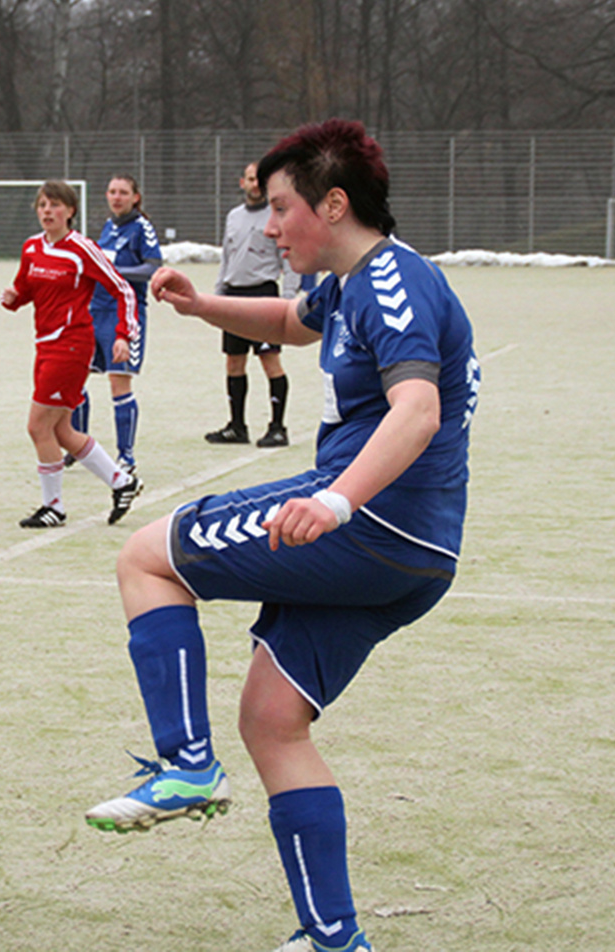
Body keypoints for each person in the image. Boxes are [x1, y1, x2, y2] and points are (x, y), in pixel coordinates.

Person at [82, 120, 480, 952]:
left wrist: (336, 503)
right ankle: (333, 936)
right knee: (271, 719)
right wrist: (200, 307)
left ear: (333, 205)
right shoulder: (353, 280)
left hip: (369, 524)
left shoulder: (395, 285)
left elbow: (418, 409)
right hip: (415, 555)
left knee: (145, 559)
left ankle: (187, 766)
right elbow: (297, 322)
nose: (269, 227)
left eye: (282, 209)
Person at [0, 179, 146, 528]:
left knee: (38, 427)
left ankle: (54, 507)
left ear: (70, 211)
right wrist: (13, 299)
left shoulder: (82, 249)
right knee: (62, 430)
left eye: (55, 205)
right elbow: (25, 288)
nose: (47, 211)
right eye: (42, 205)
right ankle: (123, 482)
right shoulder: (32, 247)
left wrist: (124, 334)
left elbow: (122, 289)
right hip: (45, 345)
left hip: (72, 346)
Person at [70, 174, 162, 473]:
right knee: (76, 378)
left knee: (118, 381)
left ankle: (127, 457)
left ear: (136, 197)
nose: (116, 197)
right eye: (112, 192)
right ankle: (77, 446)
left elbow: (152, 267)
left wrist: (112, 270)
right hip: (95, 312)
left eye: (123, 192)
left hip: (124, 315)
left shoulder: (141, 228)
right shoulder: (108, 226)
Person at [208, 162, 301, 448]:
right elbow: (227, 254)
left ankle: (277, 426)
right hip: (234, 295)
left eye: (259, 180)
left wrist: (287, 298)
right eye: (250, 179)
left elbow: (289, 257)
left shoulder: (277, 217)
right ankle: (237, 425)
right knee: (234, 361)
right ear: (242, 182)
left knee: (269, 359)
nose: (255, 185)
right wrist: (219, 292)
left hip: (263, 294)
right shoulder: (234, 217)